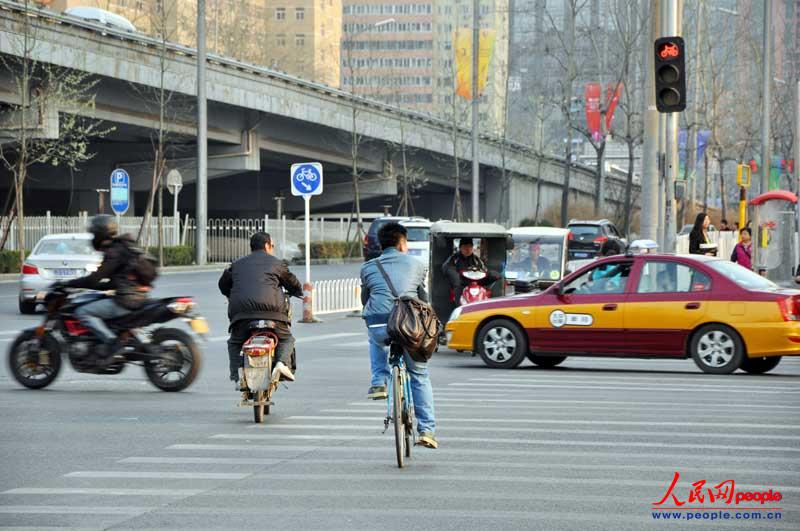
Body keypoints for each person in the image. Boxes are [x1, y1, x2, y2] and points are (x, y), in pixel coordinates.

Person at [360, 222, 438, 449]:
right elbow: (423, 299)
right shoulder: (417, 265)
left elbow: (366, 299)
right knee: (419, 375)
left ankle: (378, 382)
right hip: (409, 327)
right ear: (402, 243)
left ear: (381, 244)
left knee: (375, 337)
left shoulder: (368, 267)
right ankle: (427, 431)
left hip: (379, 325)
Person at [59, 215, 152, 365]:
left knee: (82, 312)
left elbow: (93, 279)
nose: (93, 238)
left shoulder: (114, 252)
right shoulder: (123, 247)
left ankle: (112, 343)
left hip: (126, 300)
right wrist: (94, 288)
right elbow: (113, 282)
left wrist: (68, 283)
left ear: (100, 233)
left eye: (94, 234)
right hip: (138, 296)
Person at [218, 232, 303, 386]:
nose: (273, 248)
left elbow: (223, 285)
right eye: (272, 245)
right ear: (266, 245)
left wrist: (231, 294)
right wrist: (298, 292)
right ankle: (281, 364)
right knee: (286, 339)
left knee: (235, 342)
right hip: (273, 314)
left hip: (242, 315)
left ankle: (237, 373)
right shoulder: (277, 264)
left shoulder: (236, 264)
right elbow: (293, 283)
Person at [442, 238, 501, 302]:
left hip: (476, 282)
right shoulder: (454, 258)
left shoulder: (476, 259)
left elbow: (484, 270)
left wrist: (491, 274)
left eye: (470, 247)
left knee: (493, 276)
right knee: (457, 285)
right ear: (460, 248)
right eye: (465, 247)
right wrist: (455, 274)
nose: (468, 249)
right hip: (461, 283)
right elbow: (446, 267)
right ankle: (459, 305)